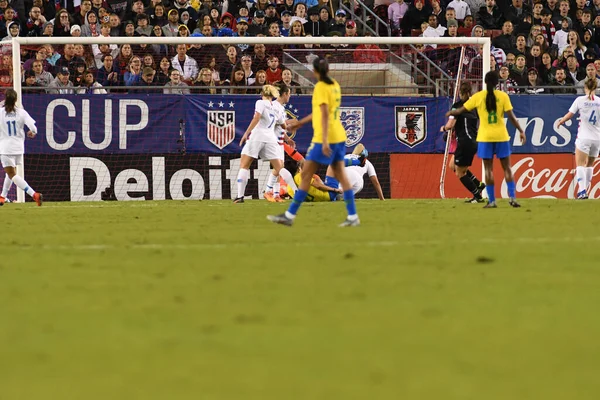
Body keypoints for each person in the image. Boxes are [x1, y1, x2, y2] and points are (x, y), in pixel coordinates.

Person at [268, 58, 359, 227]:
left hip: (326, 136)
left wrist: (323, 141)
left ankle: (289, 216)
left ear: (315, 72)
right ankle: (353, 216)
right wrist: (301, 123)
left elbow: (323, 113)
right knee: (340, 174)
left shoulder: (320, 88)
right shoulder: (334, 85)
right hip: (339, 134)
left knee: (306, 174)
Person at [446, 71, 526, 208]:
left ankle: (492, 201)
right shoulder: (503, 96)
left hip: (485, 137)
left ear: (485, 82)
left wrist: (452, 112)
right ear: (497, 83)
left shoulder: (478, 97)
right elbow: (511, 116)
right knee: (507, 168)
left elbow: (461, 109)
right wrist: (520, 130)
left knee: (488, 169)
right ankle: (512, 198)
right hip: (501, 135)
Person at [234, 85, 291, 203]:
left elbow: (256, 118)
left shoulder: (260, 102)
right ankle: (294, 191)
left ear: (262, 93)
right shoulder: (276, 108)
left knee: (244, 165)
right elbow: (284, 126)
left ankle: (240, 196)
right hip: (270, 139)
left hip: (257, 136)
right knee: (280, 167)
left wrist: (246, 133)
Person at [441, 81, 486, 203]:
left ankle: (477, 196)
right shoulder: (474, 106)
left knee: (460, 172)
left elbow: (450, 125)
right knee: (452, 166)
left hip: (464, 142)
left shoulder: (457, 106)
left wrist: (443, 128)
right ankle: (478, 184)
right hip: (473, 141)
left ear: (460, 93)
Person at [557, 79, 600, 199]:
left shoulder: (580, 100)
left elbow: (570, 114)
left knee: (580, 164)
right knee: (590, 165)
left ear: (585, 87)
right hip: (597, 138)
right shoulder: (599, 101)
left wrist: (561, 121)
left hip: (584, 137)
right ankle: (585, 190)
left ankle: (582, 191)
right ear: (596, 88)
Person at [0, 89, 42, 206]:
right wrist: (31, 133)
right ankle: (2, 197)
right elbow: (34, 128)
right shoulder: (21, 113)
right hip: (19, 148)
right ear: (15, 100)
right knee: (11, 173)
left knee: (12, 174)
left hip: (5, 148)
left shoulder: (0, 112)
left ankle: (34, 194)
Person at [262, 85, 298, 202]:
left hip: (280, 142)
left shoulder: (281, 108)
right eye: (289, 94)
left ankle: (276, 194)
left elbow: (280, 127)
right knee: (279, 168)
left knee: (279, 169)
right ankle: (268, 191)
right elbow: (275, 123)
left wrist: (287, 139)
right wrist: (289, 124)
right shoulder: (275, 107)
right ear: (284, 94)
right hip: (273, 142)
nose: (290, 96)